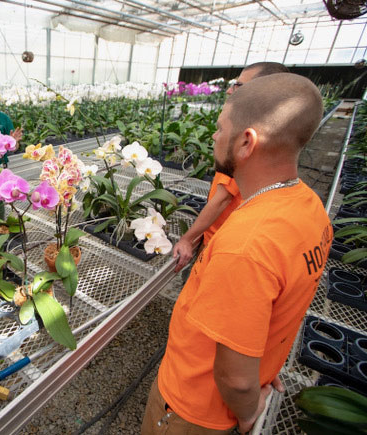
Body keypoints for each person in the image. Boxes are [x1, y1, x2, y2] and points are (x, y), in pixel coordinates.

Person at [142, 73, 332, 434]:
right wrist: (264, 370)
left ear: (247, 142)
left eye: (220, 127)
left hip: (193, 407)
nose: (213, 136)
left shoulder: (245, 246)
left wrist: (248, 411)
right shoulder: (310, 207)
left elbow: (237, 379)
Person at [173, 62, 290, 272]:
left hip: (221, 243)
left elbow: (222, 199)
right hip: (233, 236)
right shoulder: (275, 133)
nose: (229, 90)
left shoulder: (246, 137)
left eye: (238, 85)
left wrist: (188, 239)